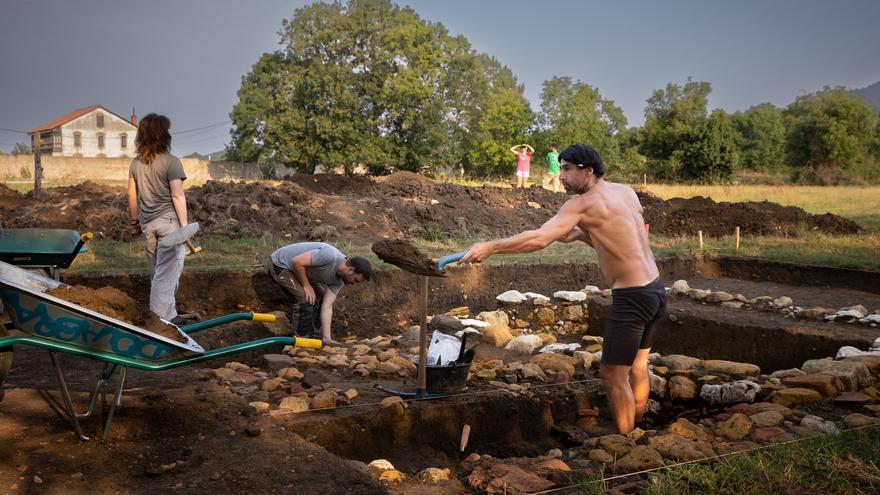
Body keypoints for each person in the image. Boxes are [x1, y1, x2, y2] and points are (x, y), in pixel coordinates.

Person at [461, 144, 665, 435]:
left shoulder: (580, 205)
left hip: (632, 297)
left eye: (568, 169)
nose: (562, 176)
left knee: (611, 376)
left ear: (588, 170)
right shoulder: (625, 191)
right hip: (655, 290)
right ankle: (640, 429)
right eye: (562, 169)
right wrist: (583, 235)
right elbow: (628, 240)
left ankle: (627, 447)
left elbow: (540, 239)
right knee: (638, 364)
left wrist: (491, 247)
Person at [127, 113, 193, 325]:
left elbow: (131, 194)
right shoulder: (172, 162)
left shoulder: (136, 164)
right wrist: (184, 227)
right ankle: (158, 321)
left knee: (159, 273)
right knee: (167, 273)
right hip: (169, 224)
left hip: (148, 225)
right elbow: (177, 195)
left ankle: (170, 314)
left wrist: (134, 222)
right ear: (163, 135)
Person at [268, 242, 373, 345]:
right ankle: (301, 340)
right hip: (280, 264)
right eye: (356, 280)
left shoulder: (339, 281)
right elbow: (297, 261)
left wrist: (327, 338)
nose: (353, 283)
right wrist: (306, 285)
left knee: (320, 298)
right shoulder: (329, 256)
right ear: (351, 270)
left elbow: (327, 306)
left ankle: (314, 338)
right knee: (305, 299)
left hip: (300, 271)